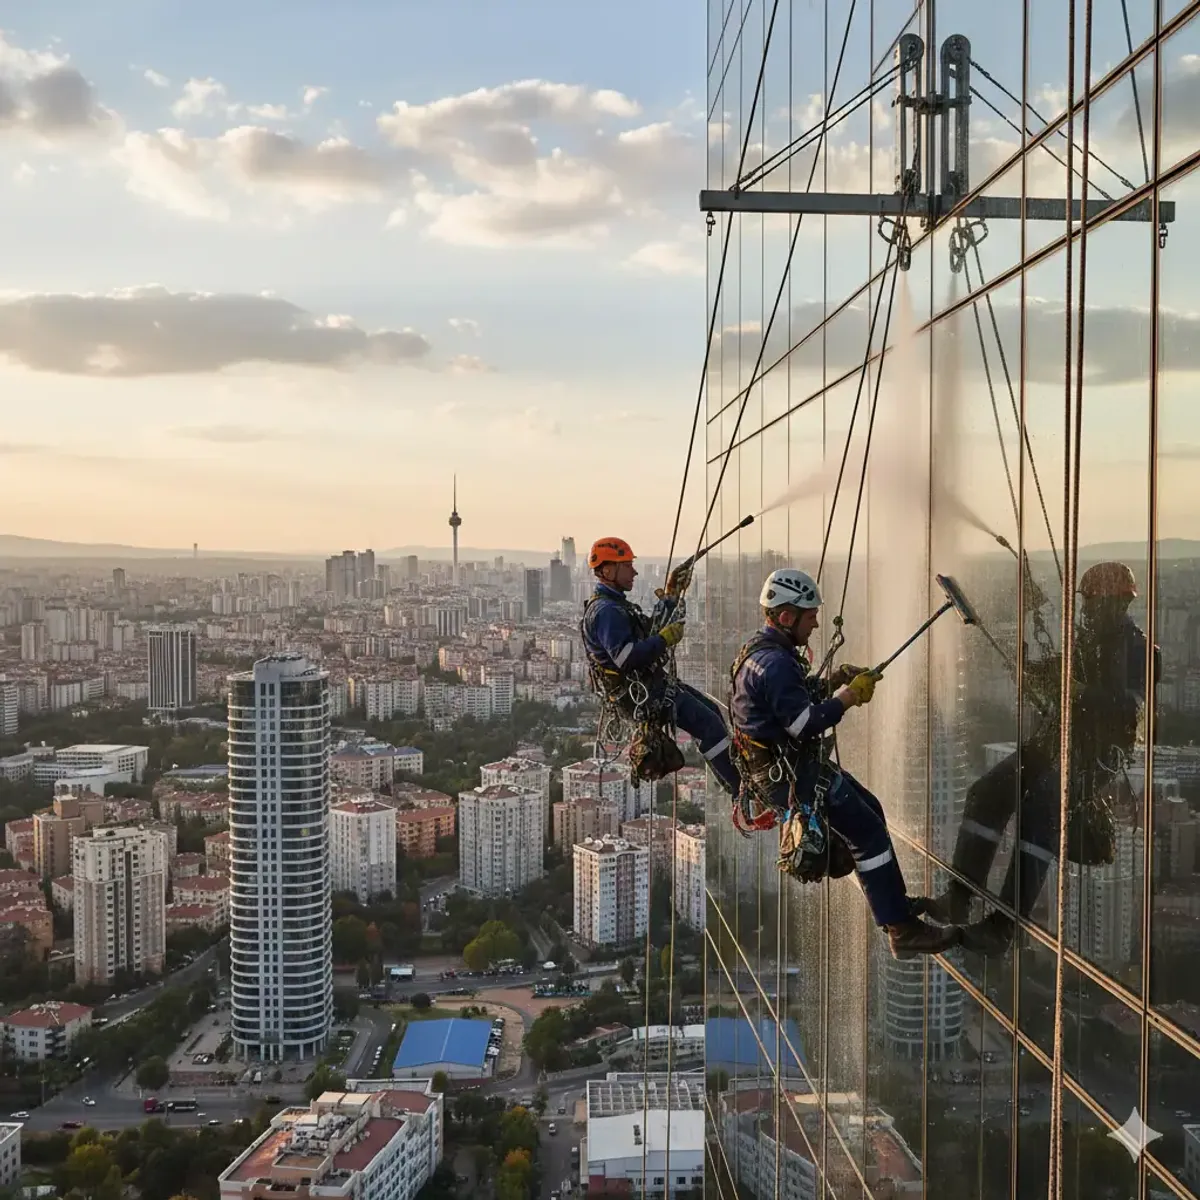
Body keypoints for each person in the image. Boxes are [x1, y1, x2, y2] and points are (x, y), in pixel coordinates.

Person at [728, 567, 963, 959]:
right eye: (810, 616)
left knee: (871, 809)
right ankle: (901, 929)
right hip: (791, 775)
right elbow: (803, 723)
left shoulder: (760, 651)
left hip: (784, 769)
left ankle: (893, 903)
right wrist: (850, 696)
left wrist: (836, 679)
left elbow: (787, 705)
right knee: (867, 832)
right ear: (785, 616)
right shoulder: (776, 664)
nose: (816, 624)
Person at [926, 560, 1159, 954]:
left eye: (1093, 604)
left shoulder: (1138, 650)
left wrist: (1078, 691)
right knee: (987, 793)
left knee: (1041, 808)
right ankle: (959, 897)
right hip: (1057, 738)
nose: (1086, 612)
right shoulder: (1089, 641)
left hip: (1097, 753)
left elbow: (1130, 707)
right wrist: (1030, 671)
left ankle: (1005, 928)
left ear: (1116, 604)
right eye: (1086, 605)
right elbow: (1059, 671)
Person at [581, 536, 741, 794]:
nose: (634, 572)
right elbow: (627, 658)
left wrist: (671, 594)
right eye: (627, 566)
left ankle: (737, 785)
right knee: (709, 725)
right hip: (641, 693)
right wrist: (663, 640)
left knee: (712, 712)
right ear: (608, 571)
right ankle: (741, 790)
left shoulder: (615, 605)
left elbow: (649, 629)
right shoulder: (605, 611)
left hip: (647, 686)